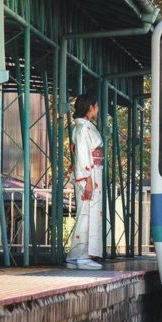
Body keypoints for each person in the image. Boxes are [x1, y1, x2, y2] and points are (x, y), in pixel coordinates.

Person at [65, 93, 104, 270]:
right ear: (90, 108)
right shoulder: (82, 130)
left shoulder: (84, 128)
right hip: (89, 176)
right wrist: (87, 179)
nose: (97, 109)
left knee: (87, 214)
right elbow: (81, 156)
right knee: (86, 214)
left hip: (92, 175)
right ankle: (82, 256)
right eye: (96, 106)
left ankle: (75, 256)